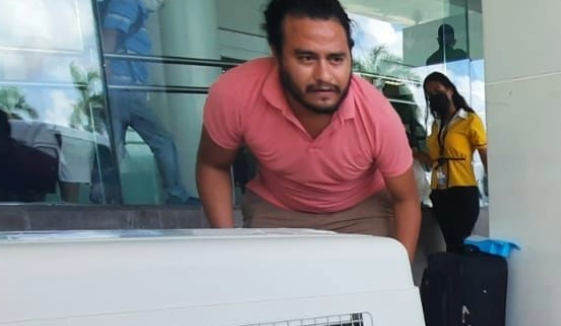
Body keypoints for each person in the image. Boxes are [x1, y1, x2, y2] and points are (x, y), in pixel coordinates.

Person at [195, 0, 422, 262]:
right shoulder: (234, 94)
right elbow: (213, 166)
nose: (324, 75)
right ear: (277, 54)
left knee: (369, 296)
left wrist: (398, 276)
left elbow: (406, 199)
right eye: (306, 58)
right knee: (265, 295)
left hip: (361, 210)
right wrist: (227, 247)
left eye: (336, 59)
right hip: (277, 209)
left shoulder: (378, 115)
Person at [93, 0, 197, 205]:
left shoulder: (133, 8)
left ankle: (101, 196)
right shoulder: (127, 3)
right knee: (162, 141)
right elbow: (110, 33)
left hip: (119, 86)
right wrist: (104, 68)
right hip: (124, 86)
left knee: (111, 143)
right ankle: (176, 195)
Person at [413, 71, 488, 253]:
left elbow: (484, 153)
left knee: (460, 243)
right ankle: (456, 279)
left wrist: (490, 181)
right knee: (451, 244)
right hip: (440, 193)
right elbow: (434, 162)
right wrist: (413, 152)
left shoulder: (469, 119)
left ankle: (463, 278)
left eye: (438, 90)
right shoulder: (436, 125)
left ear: (450, 90)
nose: (434, 97)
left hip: (462, 189)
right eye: (430, 95)